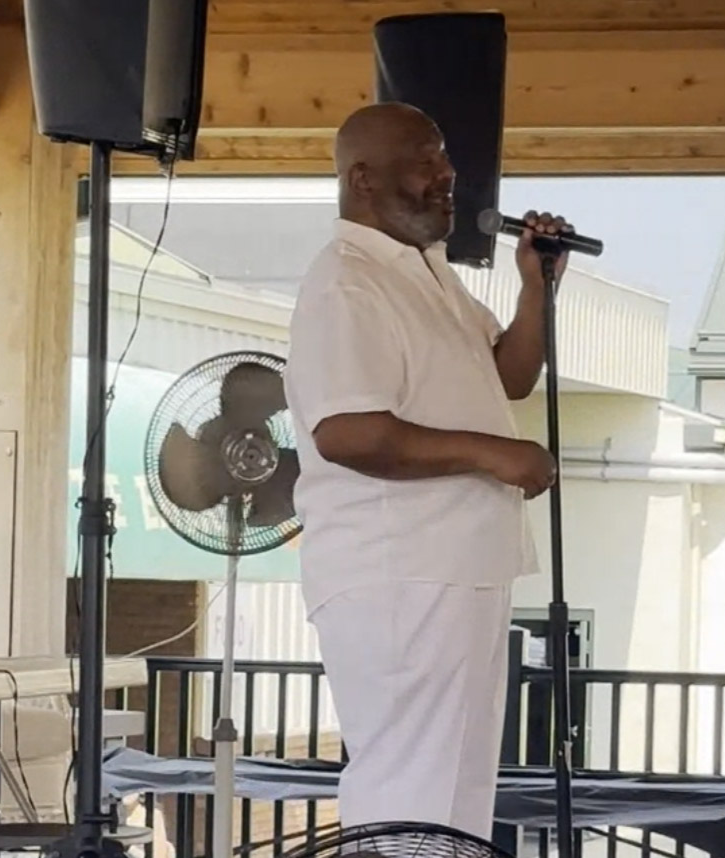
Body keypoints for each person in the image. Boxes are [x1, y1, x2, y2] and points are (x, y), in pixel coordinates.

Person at [281, 101, 573, 840]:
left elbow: (506, 374)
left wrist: (537, 288)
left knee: (455, 793)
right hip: (398, 574)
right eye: (426, 160)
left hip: (454, 565)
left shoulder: (423, 272)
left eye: (445, 160)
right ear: (363, 180)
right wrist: (491, 453)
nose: (448, 176)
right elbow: (346, 432)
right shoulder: (348, 282)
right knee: (408, 788)